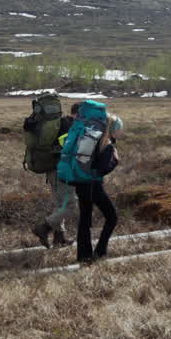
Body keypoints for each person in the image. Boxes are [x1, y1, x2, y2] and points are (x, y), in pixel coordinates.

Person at [59, 102, 123, 265]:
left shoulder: (90, 137)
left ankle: (84, 256)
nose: (120, 132)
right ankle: (100, 251)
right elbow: (101, 169)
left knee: (85, 218)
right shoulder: (106, 145)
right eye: (119, 129)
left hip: (81, 182)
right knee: (112, 217)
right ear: (113, 129)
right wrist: (115, 161)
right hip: (93, 184)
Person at [31, 103, 79, 249]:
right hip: (62, 172)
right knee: (70, 205)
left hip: (51, 170)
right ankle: (43, 227)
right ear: (78, 114)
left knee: (61, 204)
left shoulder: (59, 124)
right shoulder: (70, 126)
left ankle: (60, 238)